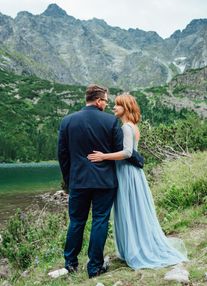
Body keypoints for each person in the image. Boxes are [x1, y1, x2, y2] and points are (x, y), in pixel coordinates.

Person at [88, 94, 188, 269]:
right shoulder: (133, 126)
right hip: (132, 172)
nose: (114, 108)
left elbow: (127, 153)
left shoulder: (126, 127)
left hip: (126, 172)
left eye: (117, 105)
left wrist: (103, 156)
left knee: (129, 209)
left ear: (125, 108)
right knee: (135, 210)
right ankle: (135, 246)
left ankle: (135, 249)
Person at [58, 84, 123, 278]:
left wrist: (69, 180)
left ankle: (70, 264)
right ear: (98, 100)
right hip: (104, 182)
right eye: (105, 101)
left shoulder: (67, 121)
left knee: (76, 221)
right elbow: (118, 151)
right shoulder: (111, 121)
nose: (106, 104)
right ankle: (94, 267)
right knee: (100, 221)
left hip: (78, 181)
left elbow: (62, 155)